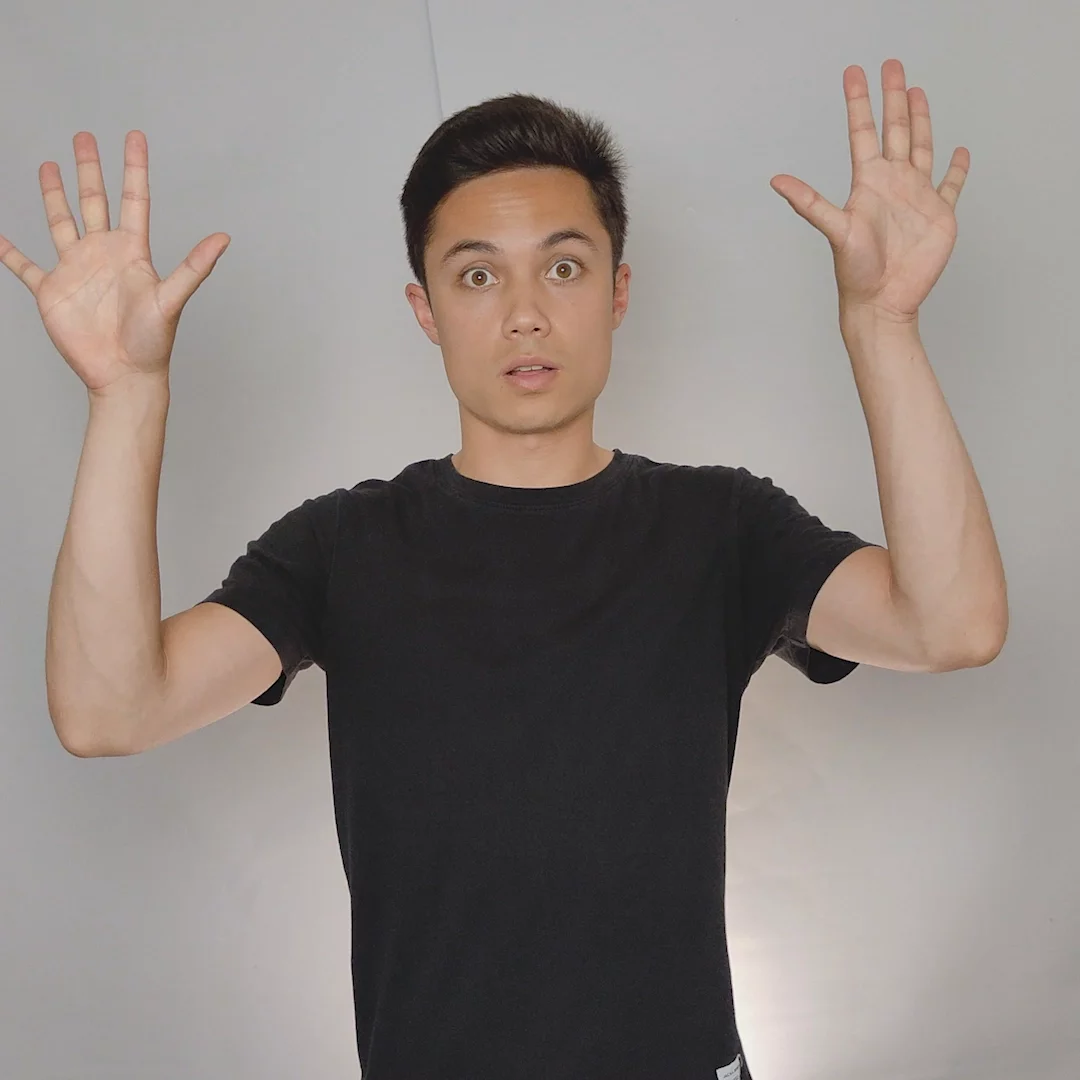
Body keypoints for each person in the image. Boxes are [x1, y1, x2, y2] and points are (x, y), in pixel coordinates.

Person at [17, 57, 1006, 1080]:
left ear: (618, 292)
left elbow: (951, 623)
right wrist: (125, 396)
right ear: (426, 309)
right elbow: (108, 710)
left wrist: (882, 325)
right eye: (479, 275)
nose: (525, 313)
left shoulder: (722, 526)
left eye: (564, 268)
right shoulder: (340, 548)